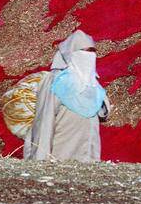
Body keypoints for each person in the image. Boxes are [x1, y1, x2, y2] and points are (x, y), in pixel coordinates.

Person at [23, 30, 110, 162]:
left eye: (92, 52)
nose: (88, 57)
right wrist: (39, 161)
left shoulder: (93, 84)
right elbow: (45, 121)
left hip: (88, 157)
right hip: (61, 156)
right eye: (84, 52)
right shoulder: (56, 81)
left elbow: (103, 113)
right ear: (71, 55)